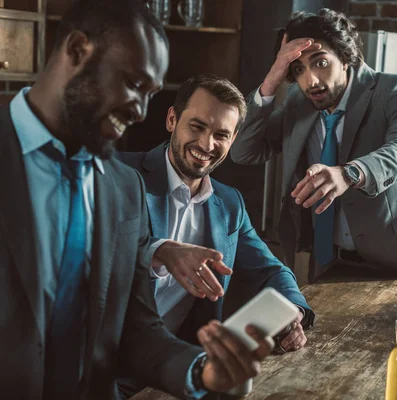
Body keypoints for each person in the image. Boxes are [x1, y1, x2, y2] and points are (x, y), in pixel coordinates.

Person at [0, 0, 272, 398]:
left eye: (151, 93)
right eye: (133, 83)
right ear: (77, 50)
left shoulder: (124, 189)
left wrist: (203, 372)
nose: (141, 111)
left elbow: (136, 330)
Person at [117, 75, 315, 397]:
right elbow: (88, 252)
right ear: (172, 119)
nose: (207, 145)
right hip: (98, 367)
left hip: (176, 371)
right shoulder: (119, 175)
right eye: (196, 127)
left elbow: (271, 270)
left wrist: (294, 311)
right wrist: (160, 250)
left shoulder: (230, 204)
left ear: (233, 138)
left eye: (221, 134)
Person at [230, 9, 397, 280]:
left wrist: (349, 173)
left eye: (320, 62)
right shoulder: (297, 105)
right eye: (298, 69)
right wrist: (273, 78)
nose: (310, 80)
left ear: (345, 58)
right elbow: (244, 152)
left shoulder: (394, 90)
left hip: (395, 262)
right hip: (327, 262)